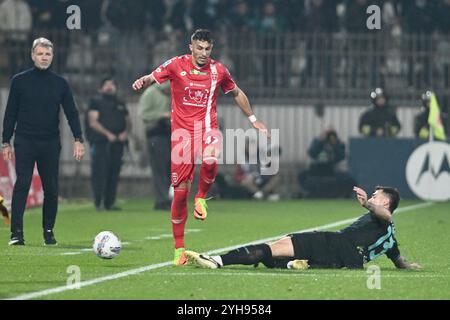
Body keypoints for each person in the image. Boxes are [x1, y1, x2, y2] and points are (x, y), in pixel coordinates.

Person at [132, 29, 268, 265]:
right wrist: (144, 80)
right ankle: (179, 249)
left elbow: (236, 92)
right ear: (191, 47)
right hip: (182, 135)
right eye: (200, 48)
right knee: (179, 194)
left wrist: (253, 119)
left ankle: (202, 197)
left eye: (208, 49)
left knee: (211, 157)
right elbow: (153, 77)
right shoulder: (176, 65)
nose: (204, 53)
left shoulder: (219, 70)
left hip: (206, 129)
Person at [186, 186, 422, 271]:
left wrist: (368, 204)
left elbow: (386, 215)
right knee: (278, 259)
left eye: (375, 196)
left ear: (385, 202)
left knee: (275, 247)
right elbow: (398, 260)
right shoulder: (390, 237)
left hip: (338, 244)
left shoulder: (383, 216)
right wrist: (409, 265)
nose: (371, 197)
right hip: (349, 261)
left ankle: (217, 260)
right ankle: (292, 265)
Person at [2, 37, 85, 246]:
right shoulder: (19, 81)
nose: (44, 57)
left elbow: (72, 113)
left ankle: (48, 231)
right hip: (24, 140)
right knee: (22, 184)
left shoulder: (60, 83)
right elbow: (10, 113)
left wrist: (78, 139)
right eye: (40, 54)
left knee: (52, 188)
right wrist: (5, 141)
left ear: (53, 56)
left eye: (47, 54)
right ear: (32, 56)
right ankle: (16, 233)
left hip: (49, 142)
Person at [87, 77, 131, 211]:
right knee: (100, 173)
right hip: (101, 143)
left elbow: (128, 122)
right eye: (106, 84)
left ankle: (109, 203)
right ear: (100, 88)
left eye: (112, 84)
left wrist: (125, 133)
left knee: (114, 173)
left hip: (118, 144)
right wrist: (107, 134)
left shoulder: (120, 103)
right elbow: (93, 122)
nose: (109, 87)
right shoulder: (95, 102)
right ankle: (99, 202)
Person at [138, 81, 172, 211]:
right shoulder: (151, 93)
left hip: (169, 134)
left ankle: (164, 198)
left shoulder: (169, 94)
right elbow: (144, 114)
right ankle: (161, 200)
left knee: (169, 169)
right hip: (156, 135)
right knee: (159, 169)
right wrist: (162, 116)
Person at [298, 129, 355, 198]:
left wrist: (336, 145)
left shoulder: (337, 145)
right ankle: (309, 193)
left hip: (330, 170)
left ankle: (342, 195)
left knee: (348, 180)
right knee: (301, 175)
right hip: (316, 169)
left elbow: (341, 156)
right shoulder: (318, 144)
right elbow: (312, 153)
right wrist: (321, 141)